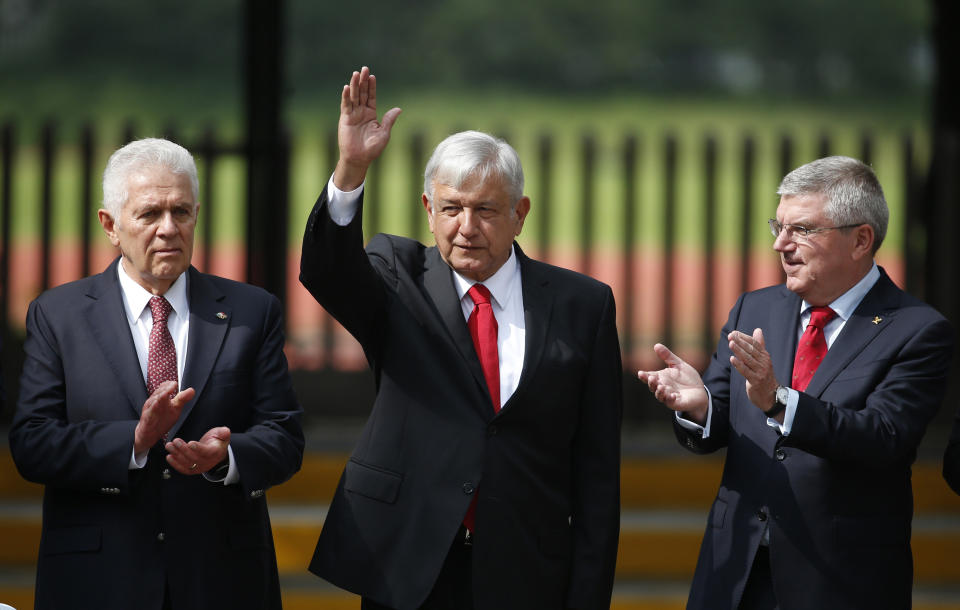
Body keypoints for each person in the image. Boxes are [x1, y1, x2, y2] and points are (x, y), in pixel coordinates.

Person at [299, 67, 623, 610]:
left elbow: (597, 474)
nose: (466, 228)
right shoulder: (396, 275)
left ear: (520, 214)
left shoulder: (583, 305)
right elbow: (328, 272)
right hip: (409, 565)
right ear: (429, 211)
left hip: (527, 572)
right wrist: (351, 169)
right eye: (451, 209)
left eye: (485, 210)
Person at [638, 156, 953, 610]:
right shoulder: (756, 309)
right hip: (735, 574)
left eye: (802, 230)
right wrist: (698, 407)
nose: (781, 245)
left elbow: (884, 437)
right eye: (778, 226)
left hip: (839, 582)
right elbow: (722, 420)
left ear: (861, 239)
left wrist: (779, 402)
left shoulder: (917, 330)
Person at [9, 138, 304, 610]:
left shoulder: (252, 311)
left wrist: (227, 457)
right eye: (150, 215)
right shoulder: (58, 315)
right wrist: (133, 441)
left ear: (197, 215)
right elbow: (32, 442)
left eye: (181, 212)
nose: (169, 229)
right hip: (98, 580)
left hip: (221, 580)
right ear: (110, 225)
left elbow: (286, 437)